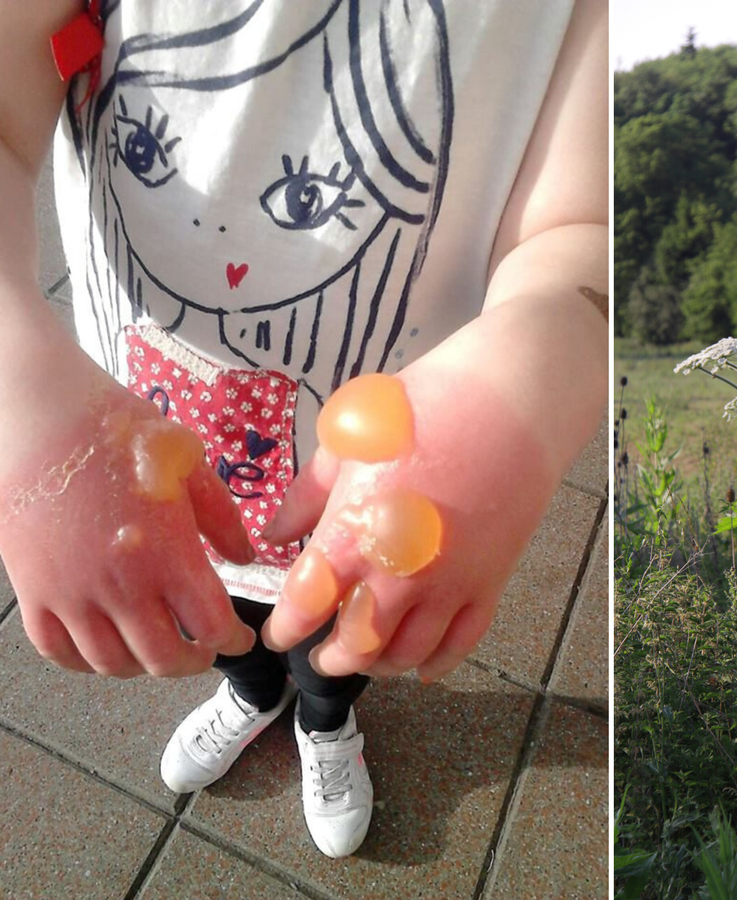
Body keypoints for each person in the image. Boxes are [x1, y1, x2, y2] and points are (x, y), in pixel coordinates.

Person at [0, 0, 607, 859]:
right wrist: (11, 364)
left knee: (338, 635)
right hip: (145, 459)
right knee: (213, 616)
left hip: (372, 485)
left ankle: (327, 719)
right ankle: (252, 693)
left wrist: (535, 367)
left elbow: (586, 220)